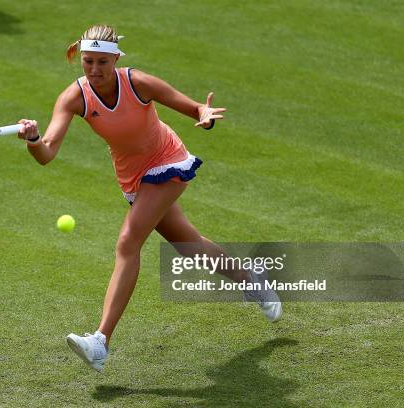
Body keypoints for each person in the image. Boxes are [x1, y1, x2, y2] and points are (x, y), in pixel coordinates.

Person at [16, 24, 282, 373]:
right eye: (87, 62)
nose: (94, 70)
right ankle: (251, 279)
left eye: (101, 62)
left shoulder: (138, 82)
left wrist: (203, 114)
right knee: (188, 244)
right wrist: (34, 139)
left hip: (168, 161)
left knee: (128, 243)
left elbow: (192, 108)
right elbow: (47, 153)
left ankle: (100, 342)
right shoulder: (74, 97)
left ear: (115, 59)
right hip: (132, 177)